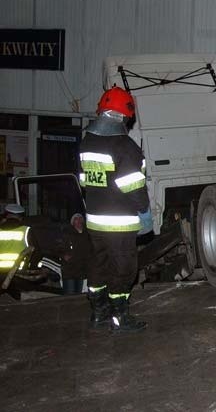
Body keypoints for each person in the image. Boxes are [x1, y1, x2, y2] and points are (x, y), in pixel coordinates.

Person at [79, 86, 151, 333]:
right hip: (119, 224)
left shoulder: (86, 142)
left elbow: (83, 181)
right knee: (124, 270)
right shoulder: (126, 147)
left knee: (99, 265)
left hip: (94, 222)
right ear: (125, 116)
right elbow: (134, 188)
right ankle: (120, 319)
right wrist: (145, 212)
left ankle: (99, 313)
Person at [61, 213, 91, 295]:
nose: (78, 220)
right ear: (73, 222)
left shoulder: (87, 234)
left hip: (81, 270)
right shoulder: (67, 233)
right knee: (69, 294)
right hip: (70, 270)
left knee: (78, 295)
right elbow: (59, 247)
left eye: (80, 218)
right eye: (76, 218)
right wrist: (64, 255)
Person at [0, 204, 32, 273]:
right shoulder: (26, 230)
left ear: (6, 216)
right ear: (21, 217)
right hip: (19, 272)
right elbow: (35, 252)